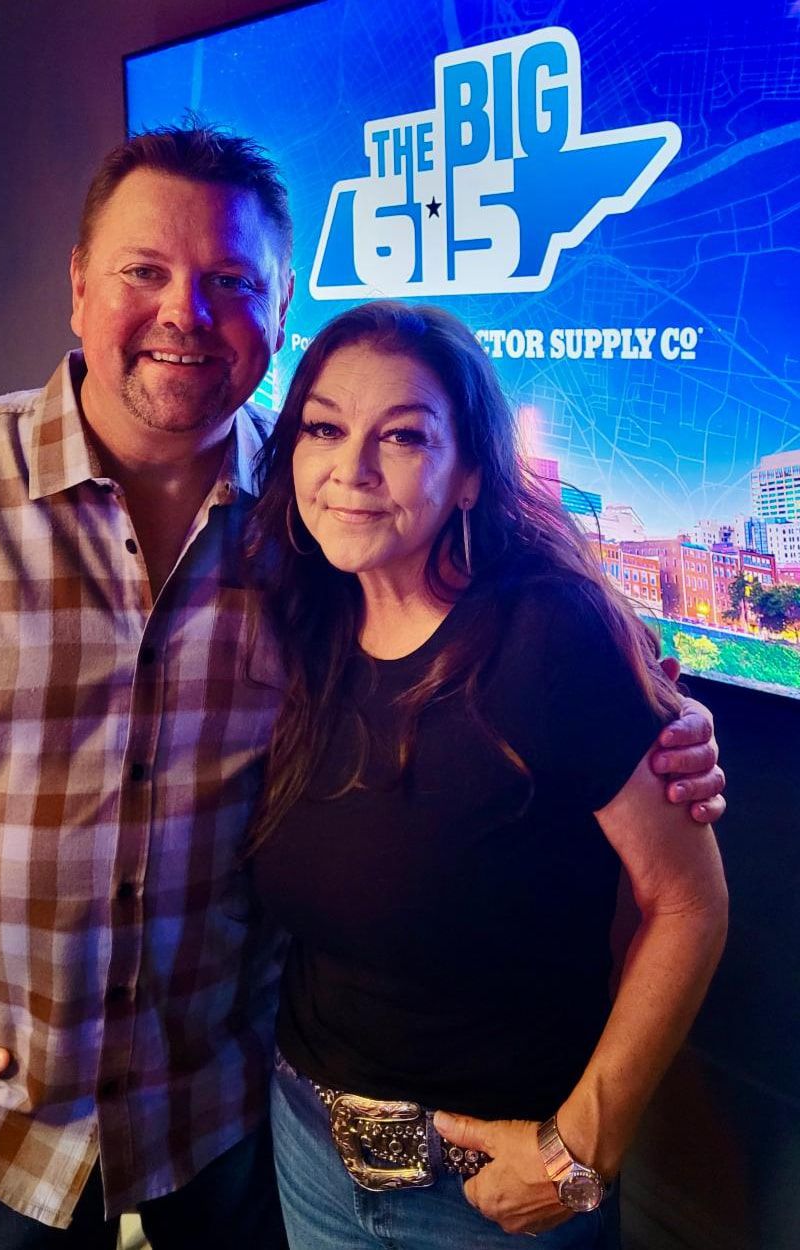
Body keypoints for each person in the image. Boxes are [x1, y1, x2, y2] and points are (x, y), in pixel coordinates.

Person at [0, 127, 723, 1249]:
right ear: (79, 285)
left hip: (224, 1126)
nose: (185, 312)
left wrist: (653, 710)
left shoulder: (308, 532)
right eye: (144, 270)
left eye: (232, 282)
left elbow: (490, 616)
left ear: (279, 310)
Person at [244, 301, 729, 1249]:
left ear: (470, 475)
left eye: (404, 436)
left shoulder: (546, 634)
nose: (351, 469)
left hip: (490, 1193)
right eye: (325, 429)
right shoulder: (307, 621)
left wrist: (579, 1150)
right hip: (308, 1149)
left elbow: (689, 904)